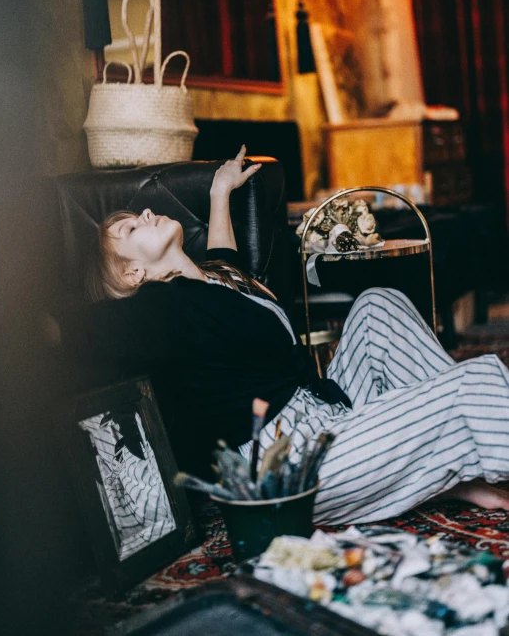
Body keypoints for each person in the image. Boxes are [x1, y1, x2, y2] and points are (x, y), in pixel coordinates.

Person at [87, 146, 509, 525]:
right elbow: (79, 332)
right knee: (476, 384)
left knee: (378, 304)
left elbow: (223, 257)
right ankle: (461, 440)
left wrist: (220, 193)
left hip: (323, 413)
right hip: (291, 466)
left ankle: (456, 460)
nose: (143, 214)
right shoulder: (158, 309)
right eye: (129, 229)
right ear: (132, 273)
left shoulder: (212, 281)